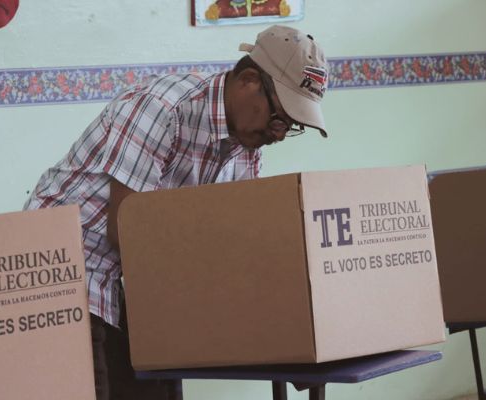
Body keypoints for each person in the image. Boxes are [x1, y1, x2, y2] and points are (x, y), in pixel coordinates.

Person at [24, 24, 329, 400]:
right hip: (67, 270)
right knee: (97, 387)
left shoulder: (248, 145)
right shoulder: (163, 109)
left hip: (137, 280)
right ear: (249, 81)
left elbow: (233, 239)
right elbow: (127, 231)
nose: (280, 134)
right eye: (279, 118)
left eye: (291, 126)